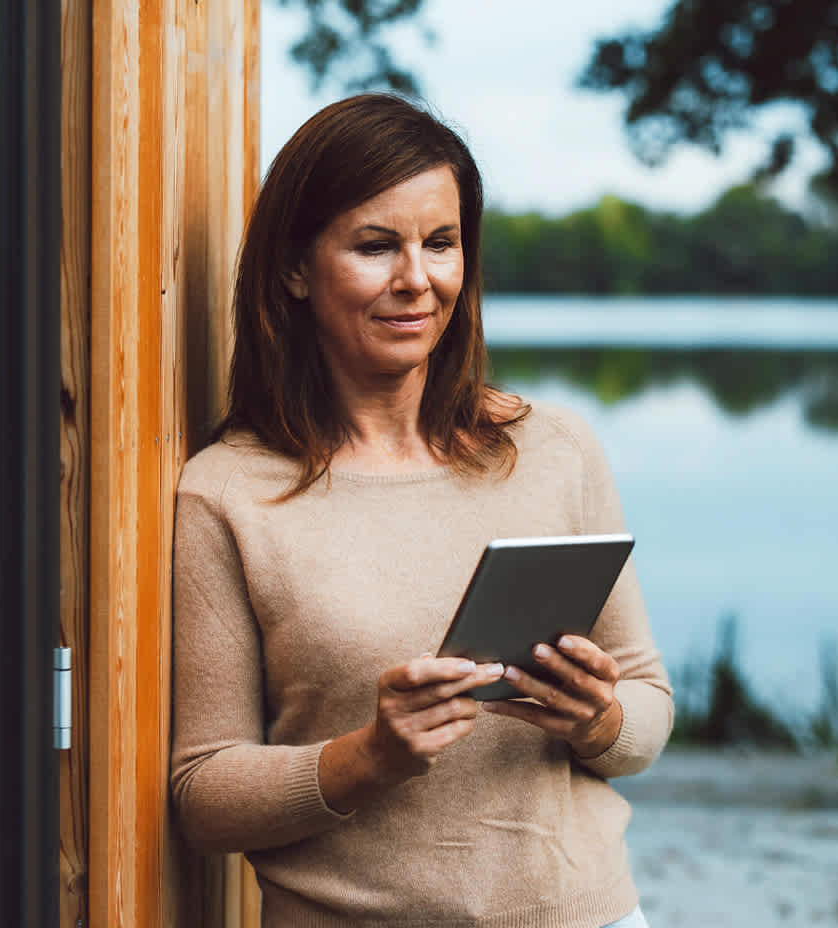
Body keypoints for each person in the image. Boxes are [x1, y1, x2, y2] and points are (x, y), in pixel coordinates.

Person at [169, 93, 673, 927]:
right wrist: (368, 757)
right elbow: (204, 793)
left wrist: (599, 719)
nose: (417, 279)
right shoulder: (227, 493)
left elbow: (647, 711)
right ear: (294, 269)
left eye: (441, 244)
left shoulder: (555, 448)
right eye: (375, 246)